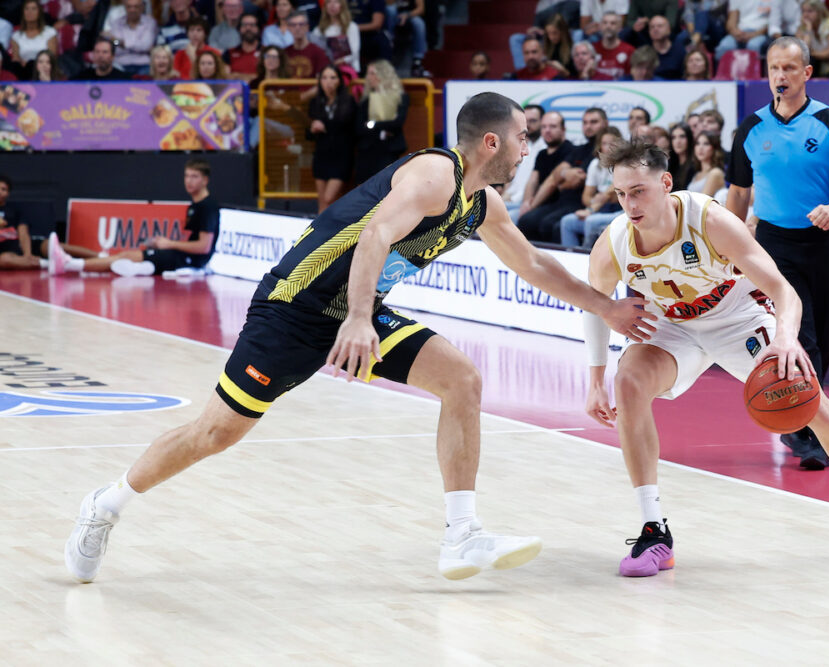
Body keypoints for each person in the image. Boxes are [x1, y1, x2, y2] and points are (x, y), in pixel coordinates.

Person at [63, 92, 656, 585]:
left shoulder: (482, 204)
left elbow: (535, 266)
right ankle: (105, 506)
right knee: (215, 433)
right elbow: (374, 236)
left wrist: (606, 307)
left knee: (462, 380)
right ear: (492, 143)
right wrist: (356, 316)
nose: (530, 148)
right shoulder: (433, 175)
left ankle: (461, 536)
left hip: (360, 312)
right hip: (294, 309)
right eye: (524, 137)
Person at [582, 139, 829, 578]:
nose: (629, 204)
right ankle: (653, 530)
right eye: (620, 194)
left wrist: (787, 338)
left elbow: (783, 291)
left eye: (638, 191)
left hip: (736, 317)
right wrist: (596, 378)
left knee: (809, 399)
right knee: (628, 383)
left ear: (665, 183)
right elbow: (595, 304)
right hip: (670, 325)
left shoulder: (709, 219)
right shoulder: (616, 241)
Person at [727, 37, 829, 470]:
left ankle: (812, 422)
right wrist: (729, 248)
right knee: (799, 336)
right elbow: (737, 194)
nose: (781, 77)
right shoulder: (751, 128)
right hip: (774, 245)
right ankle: (801, 431)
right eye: (774, 68)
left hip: (823, 241)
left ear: (807, 73)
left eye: (790, 68)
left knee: (822, 340)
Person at [49, 159, 220, 278]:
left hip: (189, 261)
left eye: (194, 176)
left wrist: (169, 243)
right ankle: (142, 268)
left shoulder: (207, 207)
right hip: (181, 255)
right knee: (127, 255)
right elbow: (193, 240)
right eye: (186, 175)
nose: (188, 181)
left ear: (205, 180)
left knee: (127, 256)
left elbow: (204, 247)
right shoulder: (194, 206)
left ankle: (69, 264)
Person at [520, 107, 609, 243]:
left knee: (549, 224)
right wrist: (564, 175)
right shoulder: (578, 149)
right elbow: (555, 176)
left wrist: (562, 180)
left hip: (581, 203)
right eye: (585, 123)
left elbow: (576, 180)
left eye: (593, 122)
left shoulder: (605, 153)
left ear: (605, 123)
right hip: (562, 202)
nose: (588, 126)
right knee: (527, 220)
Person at [559, 126, 623, 249]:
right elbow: (586, 197)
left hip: (618, 210)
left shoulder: (625, 164)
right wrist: (595, 203)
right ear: (600, 146)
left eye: (612, 143)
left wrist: (591, 210)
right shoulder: (595, 164)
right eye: (605, 143)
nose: (608, 147)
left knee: (590, 221)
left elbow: (609, 195)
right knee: (567, 222)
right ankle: (572, 261)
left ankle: (589, 261)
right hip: (600, 209)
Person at [307, 65, 357, 212]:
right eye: (324, 78)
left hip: (341, 155)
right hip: (321, 155)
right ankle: (319, 234)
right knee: (322, 201)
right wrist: (312, 128)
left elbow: (347, 125)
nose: (328, 81)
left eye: (333, 77)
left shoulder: (348, 101)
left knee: (329, 197)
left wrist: (324, 125)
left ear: (340, 81)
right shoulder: (315, 103)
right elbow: (308, 135)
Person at [354, 59, 407, 183]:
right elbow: (359, 127)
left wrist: (373, 124)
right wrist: (381, 128)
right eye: (368, 73)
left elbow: (397, 123)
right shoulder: (365, 100)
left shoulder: (401, 97)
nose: (368, 77)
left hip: (389, 150)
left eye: (372, 73)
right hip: (367, 150)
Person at [502, 103, 544, 222]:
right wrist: (505, 194)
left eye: (533, 121)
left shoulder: (544, 149)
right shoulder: (526, 146)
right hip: (511, 198)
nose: (528, 125)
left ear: (542, 121)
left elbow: (533, 183)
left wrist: (511, 198)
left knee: (492, 214)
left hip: (525, 201)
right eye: (525, 121)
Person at [106, 0, 157, 75]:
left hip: (143, 64)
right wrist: (117, 43)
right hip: (120, 64)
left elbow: (146, 46)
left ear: (142, 7)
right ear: (124, 7)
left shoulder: (150, 23)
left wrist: (122, 43)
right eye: (129, 7)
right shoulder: (116, 23)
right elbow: (115, 45)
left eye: (136, 6)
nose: (132, 10)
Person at [312, 0, 360, 75]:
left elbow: (355, 52)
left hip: (348, 70)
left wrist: (340, 61)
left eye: (336, 2)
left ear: (342, 5)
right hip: (325, 71)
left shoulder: (351, 27)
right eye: (329, 2)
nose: (332, 5)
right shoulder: (318, 30)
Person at [795, 0, 829, 78]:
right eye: (803, 11)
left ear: (819, 12)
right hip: (816, 62)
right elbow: (803, 54)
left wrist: (813, 54)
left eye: (810, 11)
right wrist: (809, 30)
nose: (806, 15)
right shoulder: (801, 29)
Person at [9, 0, 58, 69]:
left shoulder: (49, 32)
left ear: (39, 12)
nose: (30, 12)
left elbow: (52, 57)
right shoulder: (16, 36)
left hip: (45, 69)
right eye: (27, 9)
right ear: (23, 12)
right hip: (24, 70)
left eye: (33, 9)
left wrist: (37, 66)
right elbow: (16, 59)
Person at [285, 9, 329, 77]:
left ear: (307, 27)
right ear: (288, 28)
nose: (297, 28)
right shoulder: (284, 53)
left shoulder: (318, 53)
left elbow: (322, 82)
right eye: (293, 25)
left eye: (301, 24)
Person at [593, 11, 634, 79]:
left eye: (613, 23)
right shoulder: (593, 49)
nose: (608, 26)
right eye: (605, 23)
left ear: (620, 28)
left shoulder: (629, 50)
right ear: (600, 27)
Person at [647, 14, 687, 80]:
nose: (655, 29)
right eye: (652, 27)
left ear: (669, 29)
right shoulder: (645, 52)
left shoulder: (680, 52)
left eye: (660, 26)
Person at [225, 12, 261, 82]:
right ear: (239, 29)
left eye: (252, 25)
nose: (248, 28)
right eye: (244, 25)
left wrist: (237, 76)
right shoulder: (229, 53)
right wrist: (253, 77)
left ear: (258, 28)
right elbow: (226, 77)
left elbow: (267, 77)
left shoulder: (266, 51)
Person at [688, 131, 725, 197]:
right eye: (697, 143)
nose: (700, 148)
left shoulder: (715, 173)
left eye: (706, 144)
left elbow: (702, 202)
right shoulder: (697, 174)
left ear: (714, 148)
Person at [541, 13, 573, 78]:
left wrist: (563, 71)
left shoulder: (572, 49)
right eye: (548, 33)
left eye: (554, 33)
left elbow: (577, 79)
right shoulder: (546, 46)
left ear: (562, 31)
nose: (551, 37)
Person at [667, 122, 695, 189]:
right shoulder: (669, 165)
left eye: (682, 136)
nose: (678, 141)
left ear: (689, 139)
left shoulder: (695, 166)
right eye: (674, 137)